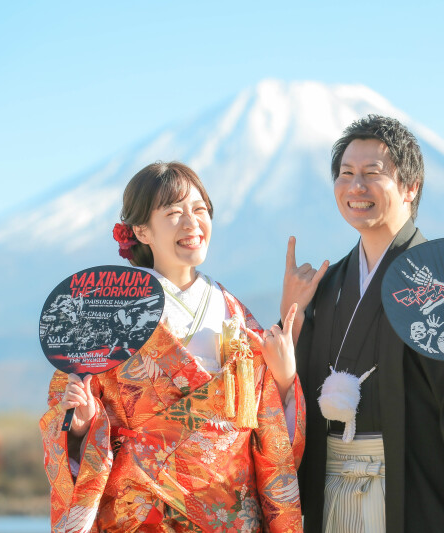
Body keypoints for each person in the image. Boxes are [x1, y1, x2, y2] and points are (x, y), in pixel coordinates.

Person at [281, 115, 444, 532]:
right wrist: (291, 318)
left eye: (373, 174)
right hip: (331, 490)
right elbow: (284, 388)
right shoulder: (327, 285)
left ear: (411, 188)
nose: (356, 187)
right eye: (346, 174)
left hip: (413, 494)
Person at [40, 162, 305, 533]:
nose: (191, 224)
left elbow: (269, 427)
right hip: (143, 511)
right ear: (141, 231)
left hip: (229, 510)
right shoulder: (105, 312)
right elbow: (73, 413)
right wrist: (82, 425)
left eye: (199, 210)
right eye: (173, 213)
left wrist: (284, 377)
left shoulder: (235, 313)